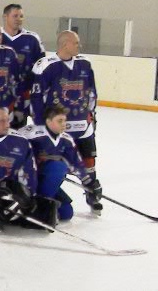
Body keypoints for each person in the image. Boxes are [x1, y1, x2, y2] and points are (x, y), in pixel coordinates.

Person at [30, 31, 102, 214]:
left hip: (82, 125)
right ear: (64, 44)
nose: (79, 46)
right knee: (57, 165)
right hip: (58, 128)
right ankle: (50, 196)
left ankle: (92, 194)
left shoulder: (85, 63)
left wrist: (92, 115)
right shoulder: (46, 65)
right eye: (76, 43)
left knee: (89, 162)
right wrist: (41, 125)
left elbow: (91, 92)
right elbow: (37, 98)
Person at [21, 105, 100, 224]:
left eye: (64, 120)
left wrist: (89, 183)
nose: (64, 124)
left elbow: (76, 163)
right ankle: (40, 206)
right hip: (28, 181)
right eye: (59, 121)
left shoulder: (66, 139)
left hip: (46, 183)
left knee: (67, 213)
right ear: (48, 121)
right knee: (58, 167)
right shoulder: (31, 134)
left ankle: (44, 203)